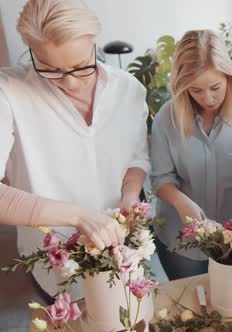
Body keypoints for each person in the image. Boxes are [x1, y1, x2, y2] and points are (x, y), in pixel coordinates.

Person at [0, 0, 150, 299]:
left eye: (82, 66)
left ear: (94, 42)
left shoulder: (128, 89)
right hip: (55, 267)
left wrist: (130, 195)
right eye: (50, 69)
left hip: (121, 256)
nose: (69, 83)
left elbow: (136, 157)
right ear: (30, 51)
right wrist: (80, 216)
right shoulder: (9, 92)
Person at [150, 30, 232, 280]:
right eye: (196, 90)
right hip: (179, 241)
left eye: (215, 87)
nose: (208, 98)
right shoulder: (165, 119)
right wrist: (182, 202)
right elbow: (161, 179)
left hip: (231, 239)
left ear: (229, 77)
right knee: (190, 306)